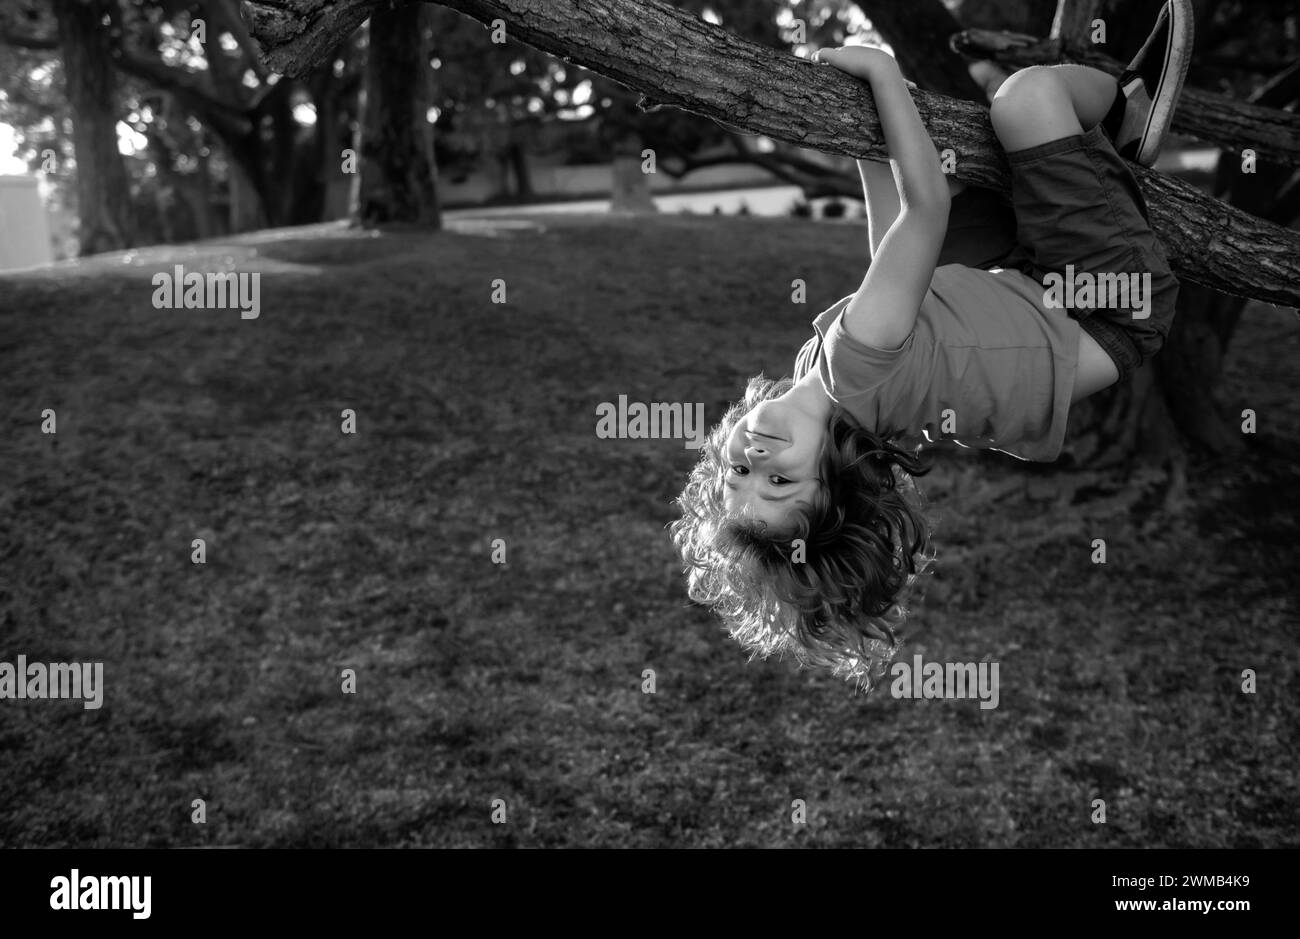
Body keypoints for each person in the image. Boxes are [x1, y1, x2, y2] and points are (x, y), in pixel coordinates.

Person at [670, 1, 1192, 689]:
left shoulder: (829, 381)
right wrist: (885, 79)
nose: (754, 461)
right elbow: (924, 212)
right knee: (1023, 99)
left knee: (954, 224)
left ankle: (1089, 168)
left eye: (739, 477)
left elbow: (893, 257)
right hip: (1111, 304)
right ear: (838, 472)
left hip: (1033, 284)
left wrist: (865, 143)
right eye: (780, 481)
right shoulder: (852, 374)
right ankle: (1126, 106)